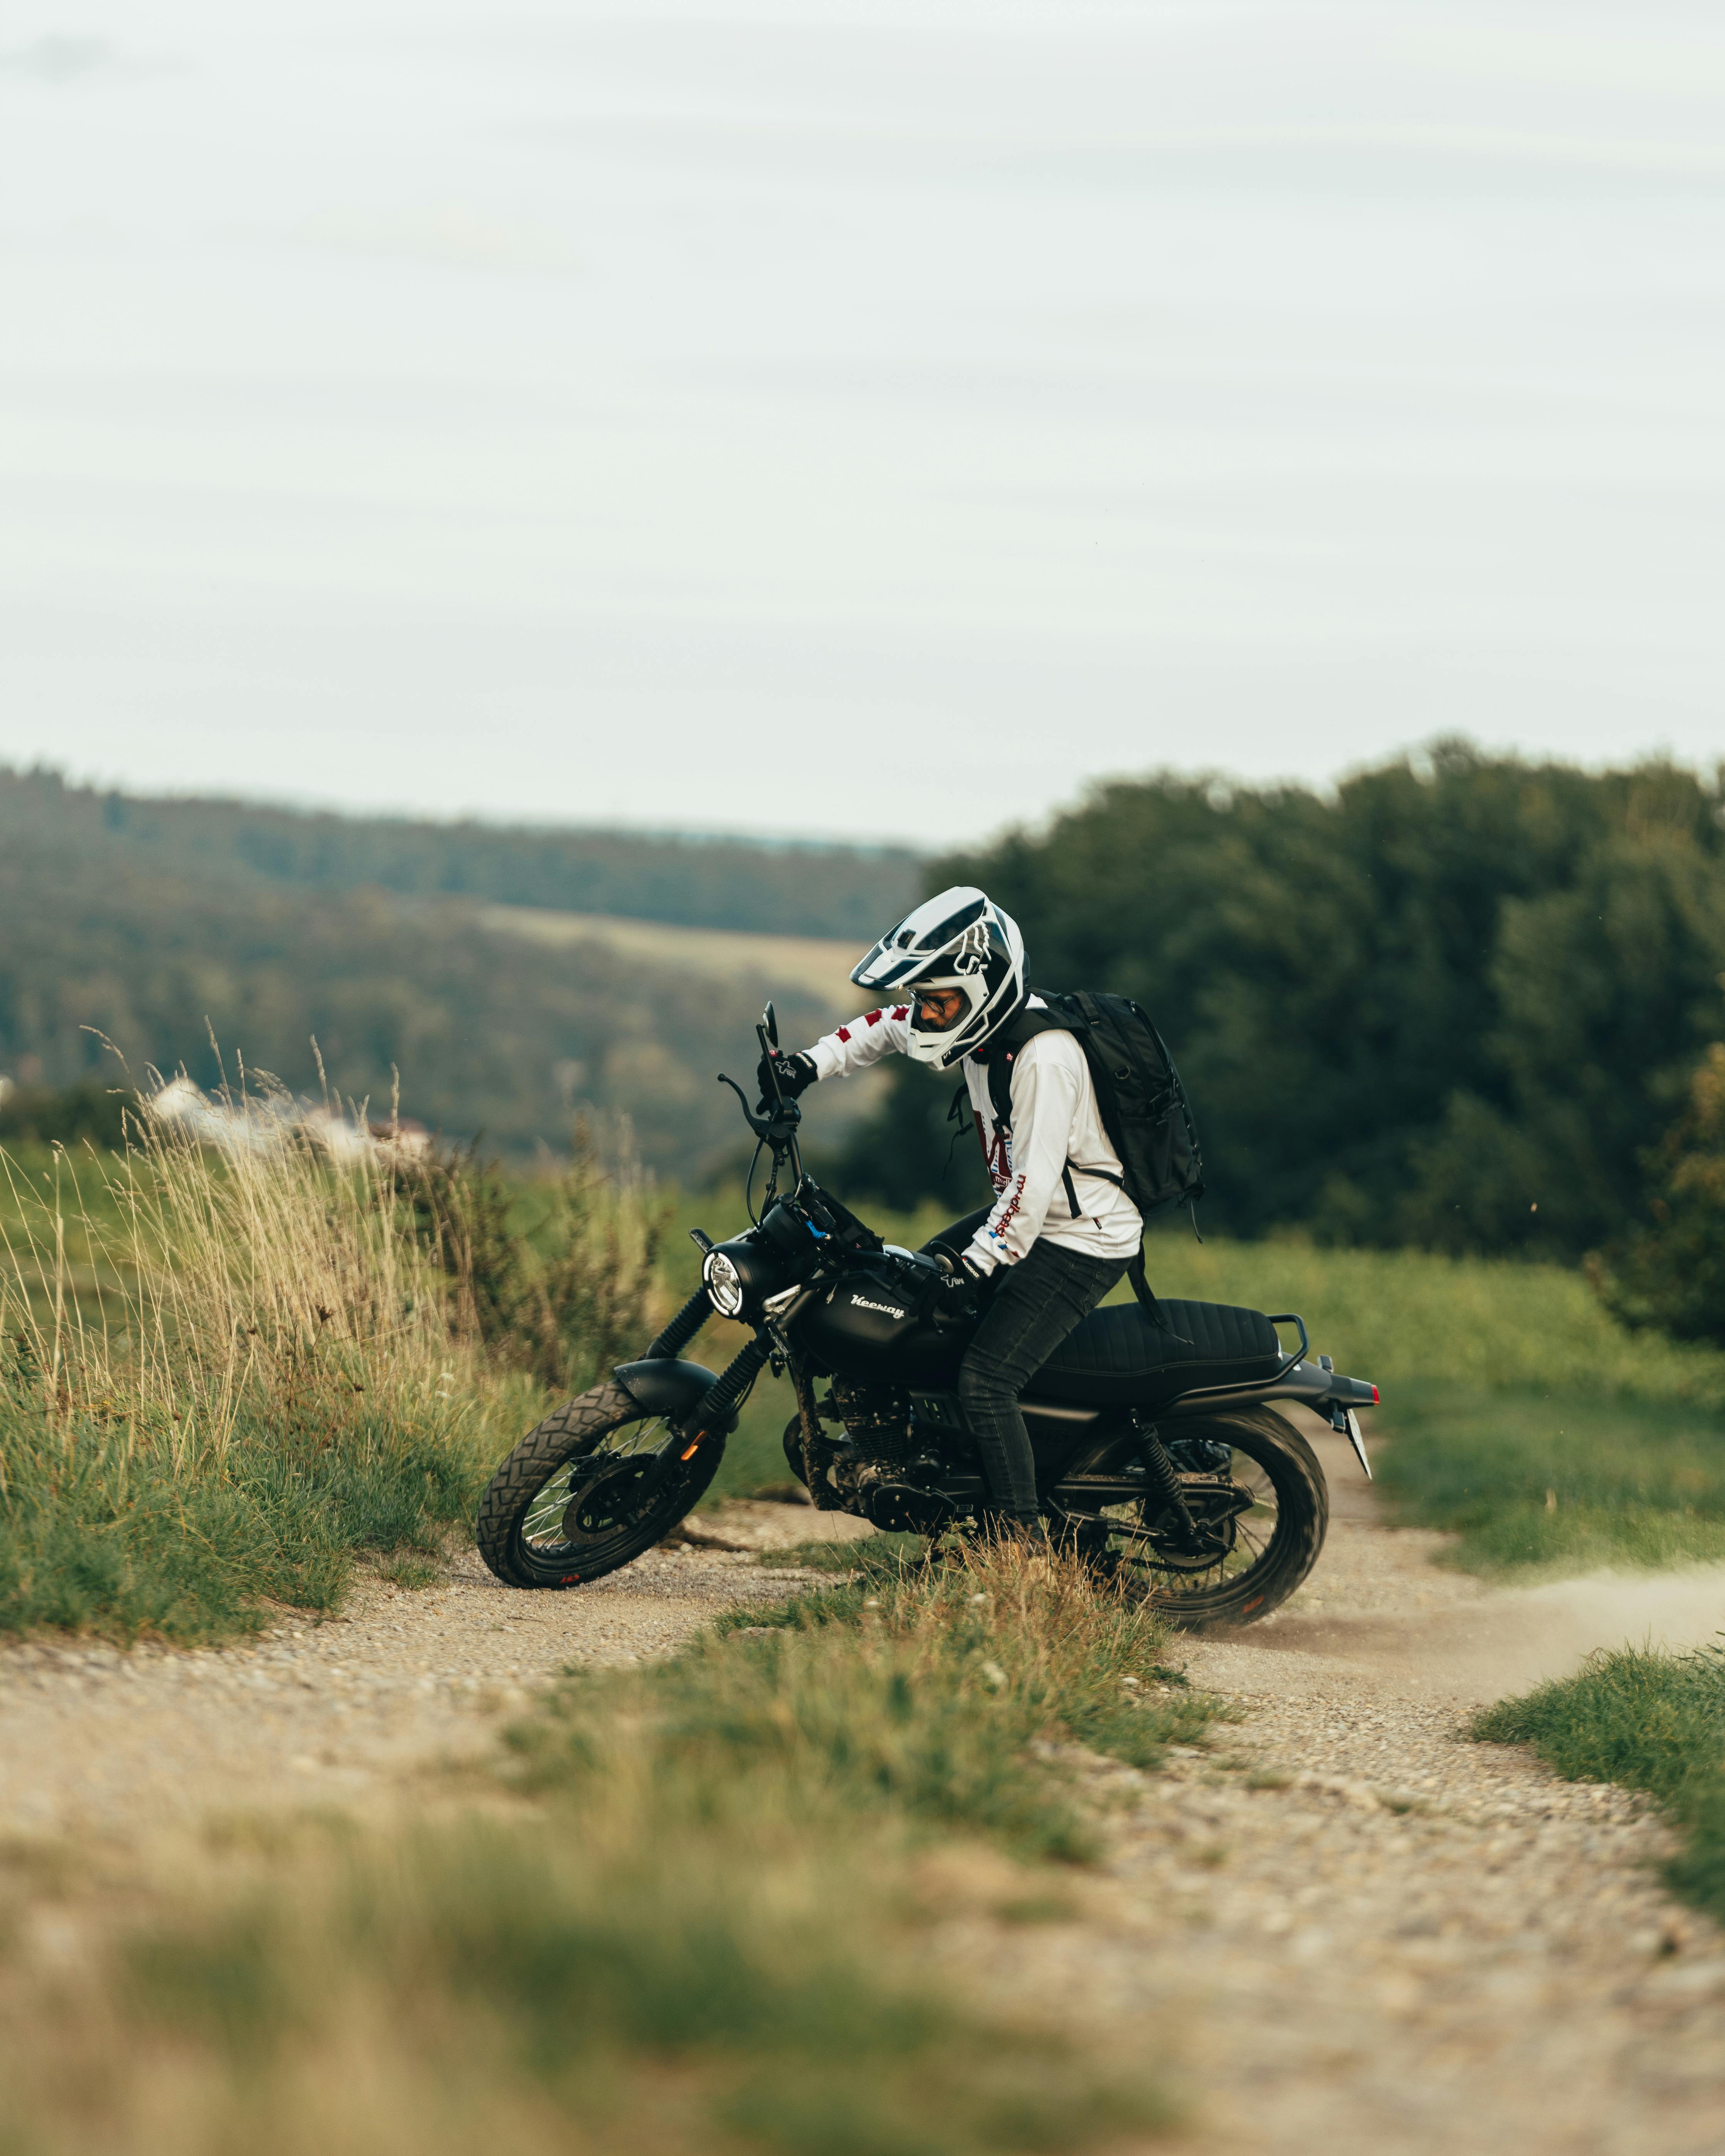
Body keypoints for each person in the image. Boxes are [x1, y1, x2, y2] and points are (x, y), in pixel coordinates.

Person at [757, 886, 1142, 1541]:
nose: (927, 1014)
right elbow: (886, 1025)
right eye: (925, 999)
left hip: (1082, 1237)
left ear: (983, 990)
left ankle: (1019, 1543)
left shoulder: (1046, 1059)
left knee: (988, 1380)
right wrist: (807, 1067)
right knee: (903, 1298)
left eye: (939, 1002)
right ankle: (936, 1471)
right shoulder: (977, 1023)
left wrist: (974, 1266)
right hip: (1031, 1216)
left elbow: (1033, 1188)